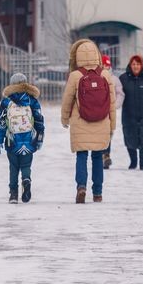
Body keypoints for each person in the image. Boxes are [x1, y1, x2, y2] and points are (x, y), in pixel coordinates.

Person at [60, 39, 116, 203]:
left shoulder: (75, 76)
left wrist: (65, 119)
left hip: (80, 122)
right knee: (98, 157)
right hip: (102, 121)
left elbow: (67, 100)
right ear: (96, 55)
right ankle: (97, 192)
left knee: (81, 156)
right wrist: (112, 124)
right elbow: (112, 103)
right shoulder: (105, 75)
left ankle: (81, 187)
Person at [0, 72, 45, 204]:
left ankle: (13, 194)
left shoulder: (6, 101)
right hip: (29, 139)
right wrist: (39, 139)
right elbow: (39, 120)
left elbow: (2, 122)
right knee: (26, 165)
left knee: (13, 166)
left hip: (12, 140)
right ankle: (26, 180)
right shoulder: (32, 100)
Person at [100, 54, 124, 169]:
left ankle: (106, 155)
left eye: (107, 65)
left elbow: (120, 94)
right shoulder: (96, 78)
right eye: (103, 65)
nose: (105, 67)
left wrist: (115, 105)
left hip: (109, 112)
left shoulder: (114, 79)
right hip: (97, 112)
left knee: (108, 134)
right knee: (99, 134)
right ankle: (101, 155)